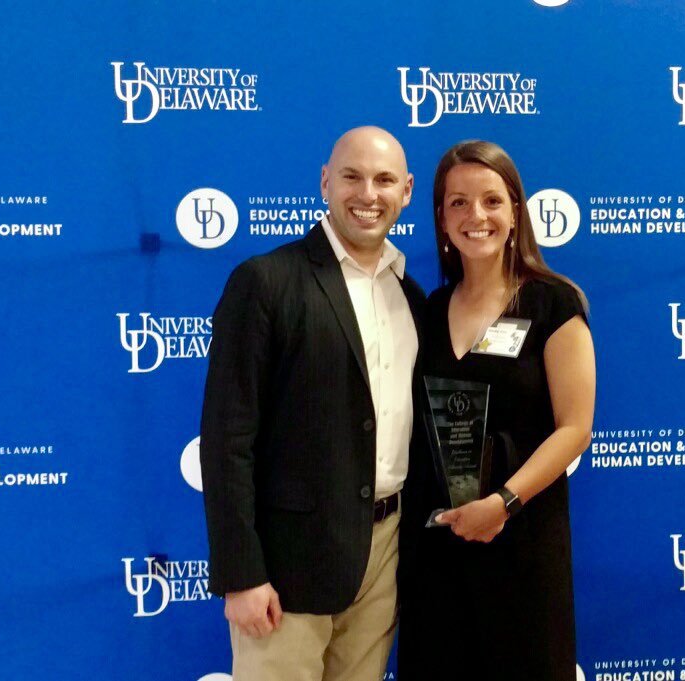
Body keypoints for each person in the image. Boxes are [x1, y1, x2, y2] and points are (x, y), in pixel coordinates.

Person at [200, 126, 425, 681]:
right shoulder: (266, 281)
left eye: (384, 180)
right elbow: (227, 439)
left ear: (407, 191)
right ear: (325, 182)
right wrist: (241, 575)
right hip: (287, 566)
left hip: (385, 554)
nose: (367, 194)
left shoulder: (412, 297)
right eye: (351, 176)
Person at [398, 141, 595, 681]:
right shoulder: (428, 310)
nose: (475, 216)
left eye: (491, 200)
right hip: (439, 546)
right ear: (440, 217)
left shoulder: (552, 303)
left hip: (520, 539)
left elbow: (575, 428)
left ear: (515, 213)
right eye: (457, 203)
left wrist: (504, 502)